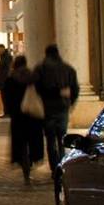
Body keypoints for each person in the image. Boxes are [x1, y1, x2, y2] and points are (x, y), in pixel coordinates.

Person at [32, 43, 79, 177]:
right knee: (62, 139)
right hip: (62, 107)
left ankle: (55, 168)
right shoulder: (68, 68)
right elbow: (75, 88)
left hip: (47, 107)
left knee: (51, 140)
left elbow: (37, 87)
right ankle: (62, 164)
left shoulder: (40, 68)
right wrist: (71, 102)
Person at [1, 55, 44, 185]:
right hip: (32, 116)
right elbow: (41, 94)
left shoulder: (10, 79)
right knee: (33, 142)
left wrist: (9, 110)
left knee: (21, 144)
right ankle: (31, 163)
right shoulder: (33, 77)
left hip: (18, 116)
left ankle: (25, 170)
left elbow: (6, 97)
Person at [0, 44, 13, 117]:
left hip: (5, 81)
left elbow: (7, 69)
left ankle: (8, 113)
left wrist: (4, 78)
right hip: (2, 80)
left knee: (6, 97)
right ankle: (6, 112)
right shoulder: (3, 57)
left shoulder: (7, 57)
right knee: (4, 97)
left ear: (3, 48)